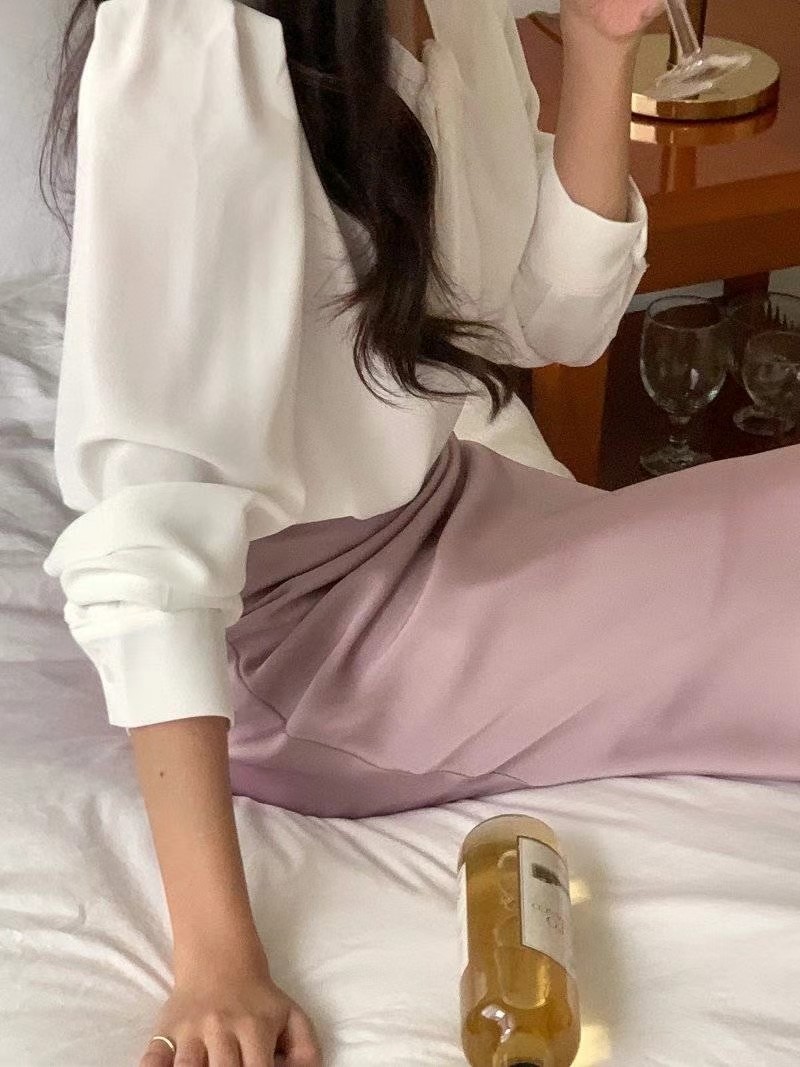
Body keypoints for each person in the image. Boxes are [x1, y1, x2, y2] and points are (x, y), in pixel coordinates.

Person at [39, 1, 799, 1064]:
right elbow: (150, 519)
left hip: (454, 513)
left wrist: (599, 47)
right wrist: (217, 962)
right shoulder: (193, 34)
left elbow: (551, 319)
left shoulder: (459, 11)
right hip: (316, 639)